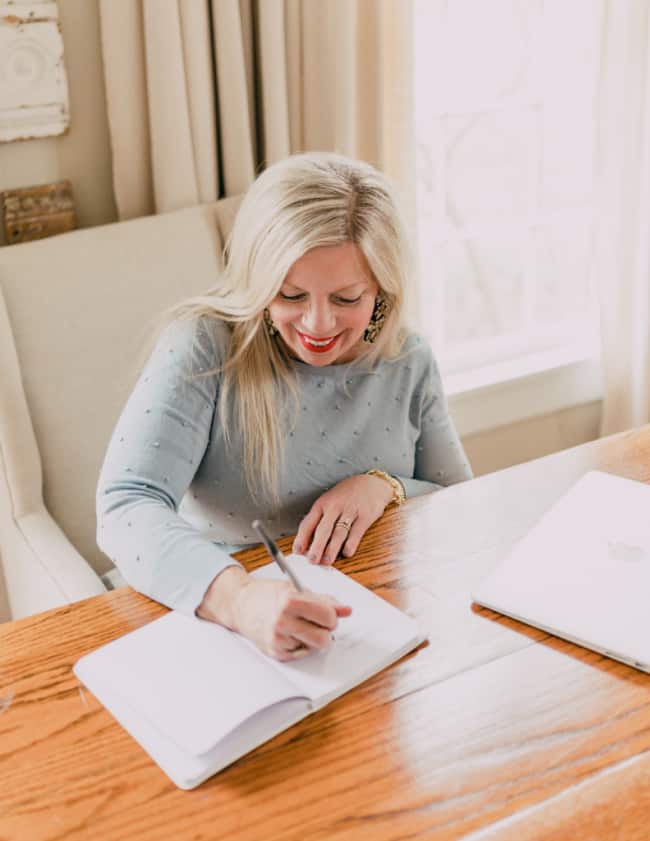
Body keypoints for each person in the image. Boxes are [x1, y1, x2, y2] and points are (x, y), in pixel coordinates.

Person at [96, 152, 473, 662]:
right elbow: (125, 505)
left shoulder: (408, 358)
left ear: (382, 290)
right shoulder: (204, 345)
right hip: (213, 612)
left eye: (346, 299)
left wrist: (383, 487)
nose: (318, 325)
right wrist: (241, 600)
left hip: (371, 618)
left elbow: (461, 499)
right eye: (291, 294)